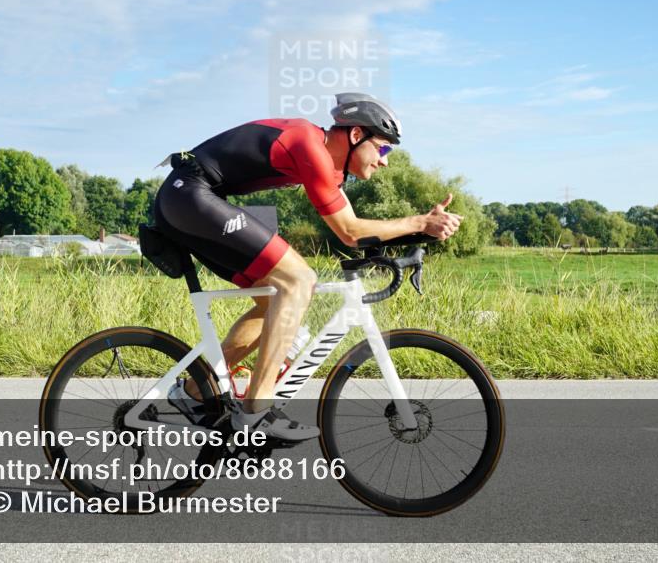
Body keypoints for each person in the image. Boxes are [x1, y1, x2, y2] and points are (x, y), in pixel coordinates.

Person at [156, 92, 461, 441]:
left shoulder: (329, 165)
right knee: (299, 280)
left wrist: (416, 236)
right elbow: (349, 231)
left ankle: (194, 390)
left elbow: (356, 231)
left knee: (274, 301)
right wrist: (420, 223)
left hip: (194, 200)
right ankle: (256, 411)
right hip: (190, 194)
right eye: (384, 148)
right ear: (357, 136)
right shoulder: (309, 145)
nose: (385, 161)